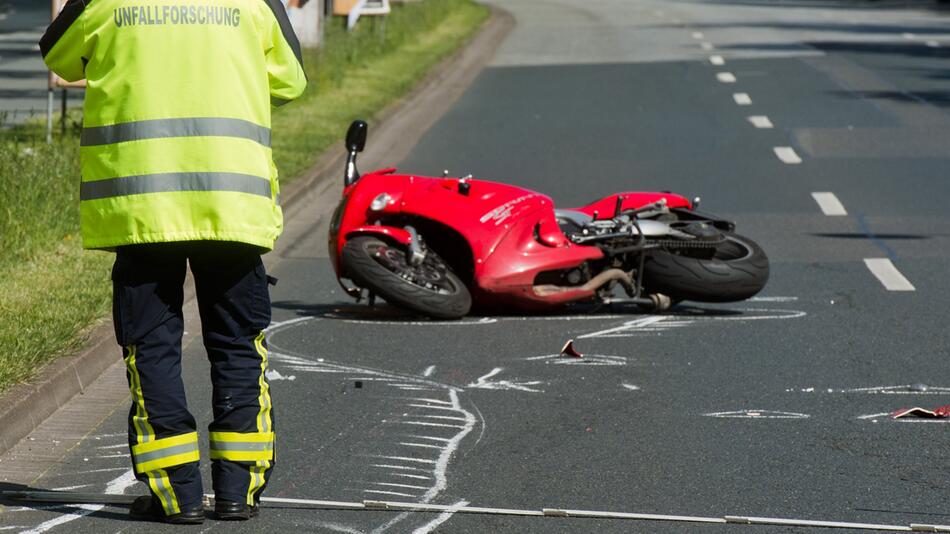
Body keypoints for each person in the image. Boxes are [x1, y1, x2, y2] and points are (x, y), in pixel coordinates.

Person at [40, 0, 306, 524]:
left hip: (142, 208)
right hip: (230, 204)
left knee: (152, 348)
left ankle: (176, 495)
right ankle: (238, 491)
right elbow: (290, 82)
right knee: (237, 345)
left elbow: (60, 57)